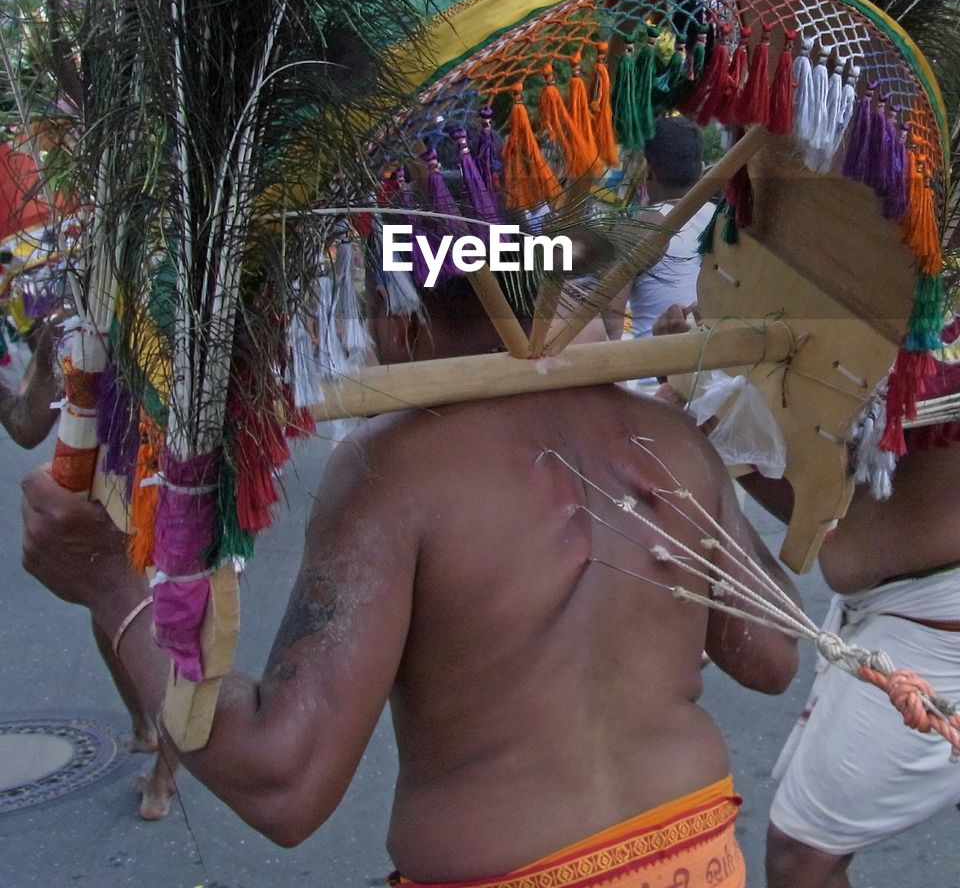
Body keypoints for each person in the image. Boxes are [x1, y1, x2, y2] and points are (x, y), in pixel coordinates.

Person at [21, 267, 801, 887]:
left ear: (397, 320)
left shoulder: (392, 464)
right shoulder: (666, 435)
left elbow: (282, 780)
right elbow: (770, 655)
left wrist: (111, 589)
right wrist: (702, 461)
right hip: (699, 855)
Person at [653, 302, 960, 888]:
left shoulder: (916, 315)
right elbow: (827, 517)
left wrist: (704, 414)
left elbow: (837, 532)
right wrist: (703, 397)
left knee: (802, 857)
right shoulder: (875, 298)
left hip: (933, 625)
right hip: (903, 612)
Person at [3, 310, 178, 820]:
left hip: (180, 498)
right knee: (116, 620)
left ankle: (165, 775)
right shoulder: (68, 322)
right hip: (109, 502)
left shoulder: (188, 298)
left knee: (171, 630)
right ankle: (147, 731)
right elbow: (26, 424)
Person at [603, 116, 714, 357]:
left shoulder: (639, 225)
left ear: (647, 171)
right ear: (702, 169)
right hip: (721, 374)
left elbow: (609, 327)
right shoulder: (725, 221)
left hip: (652, 382)